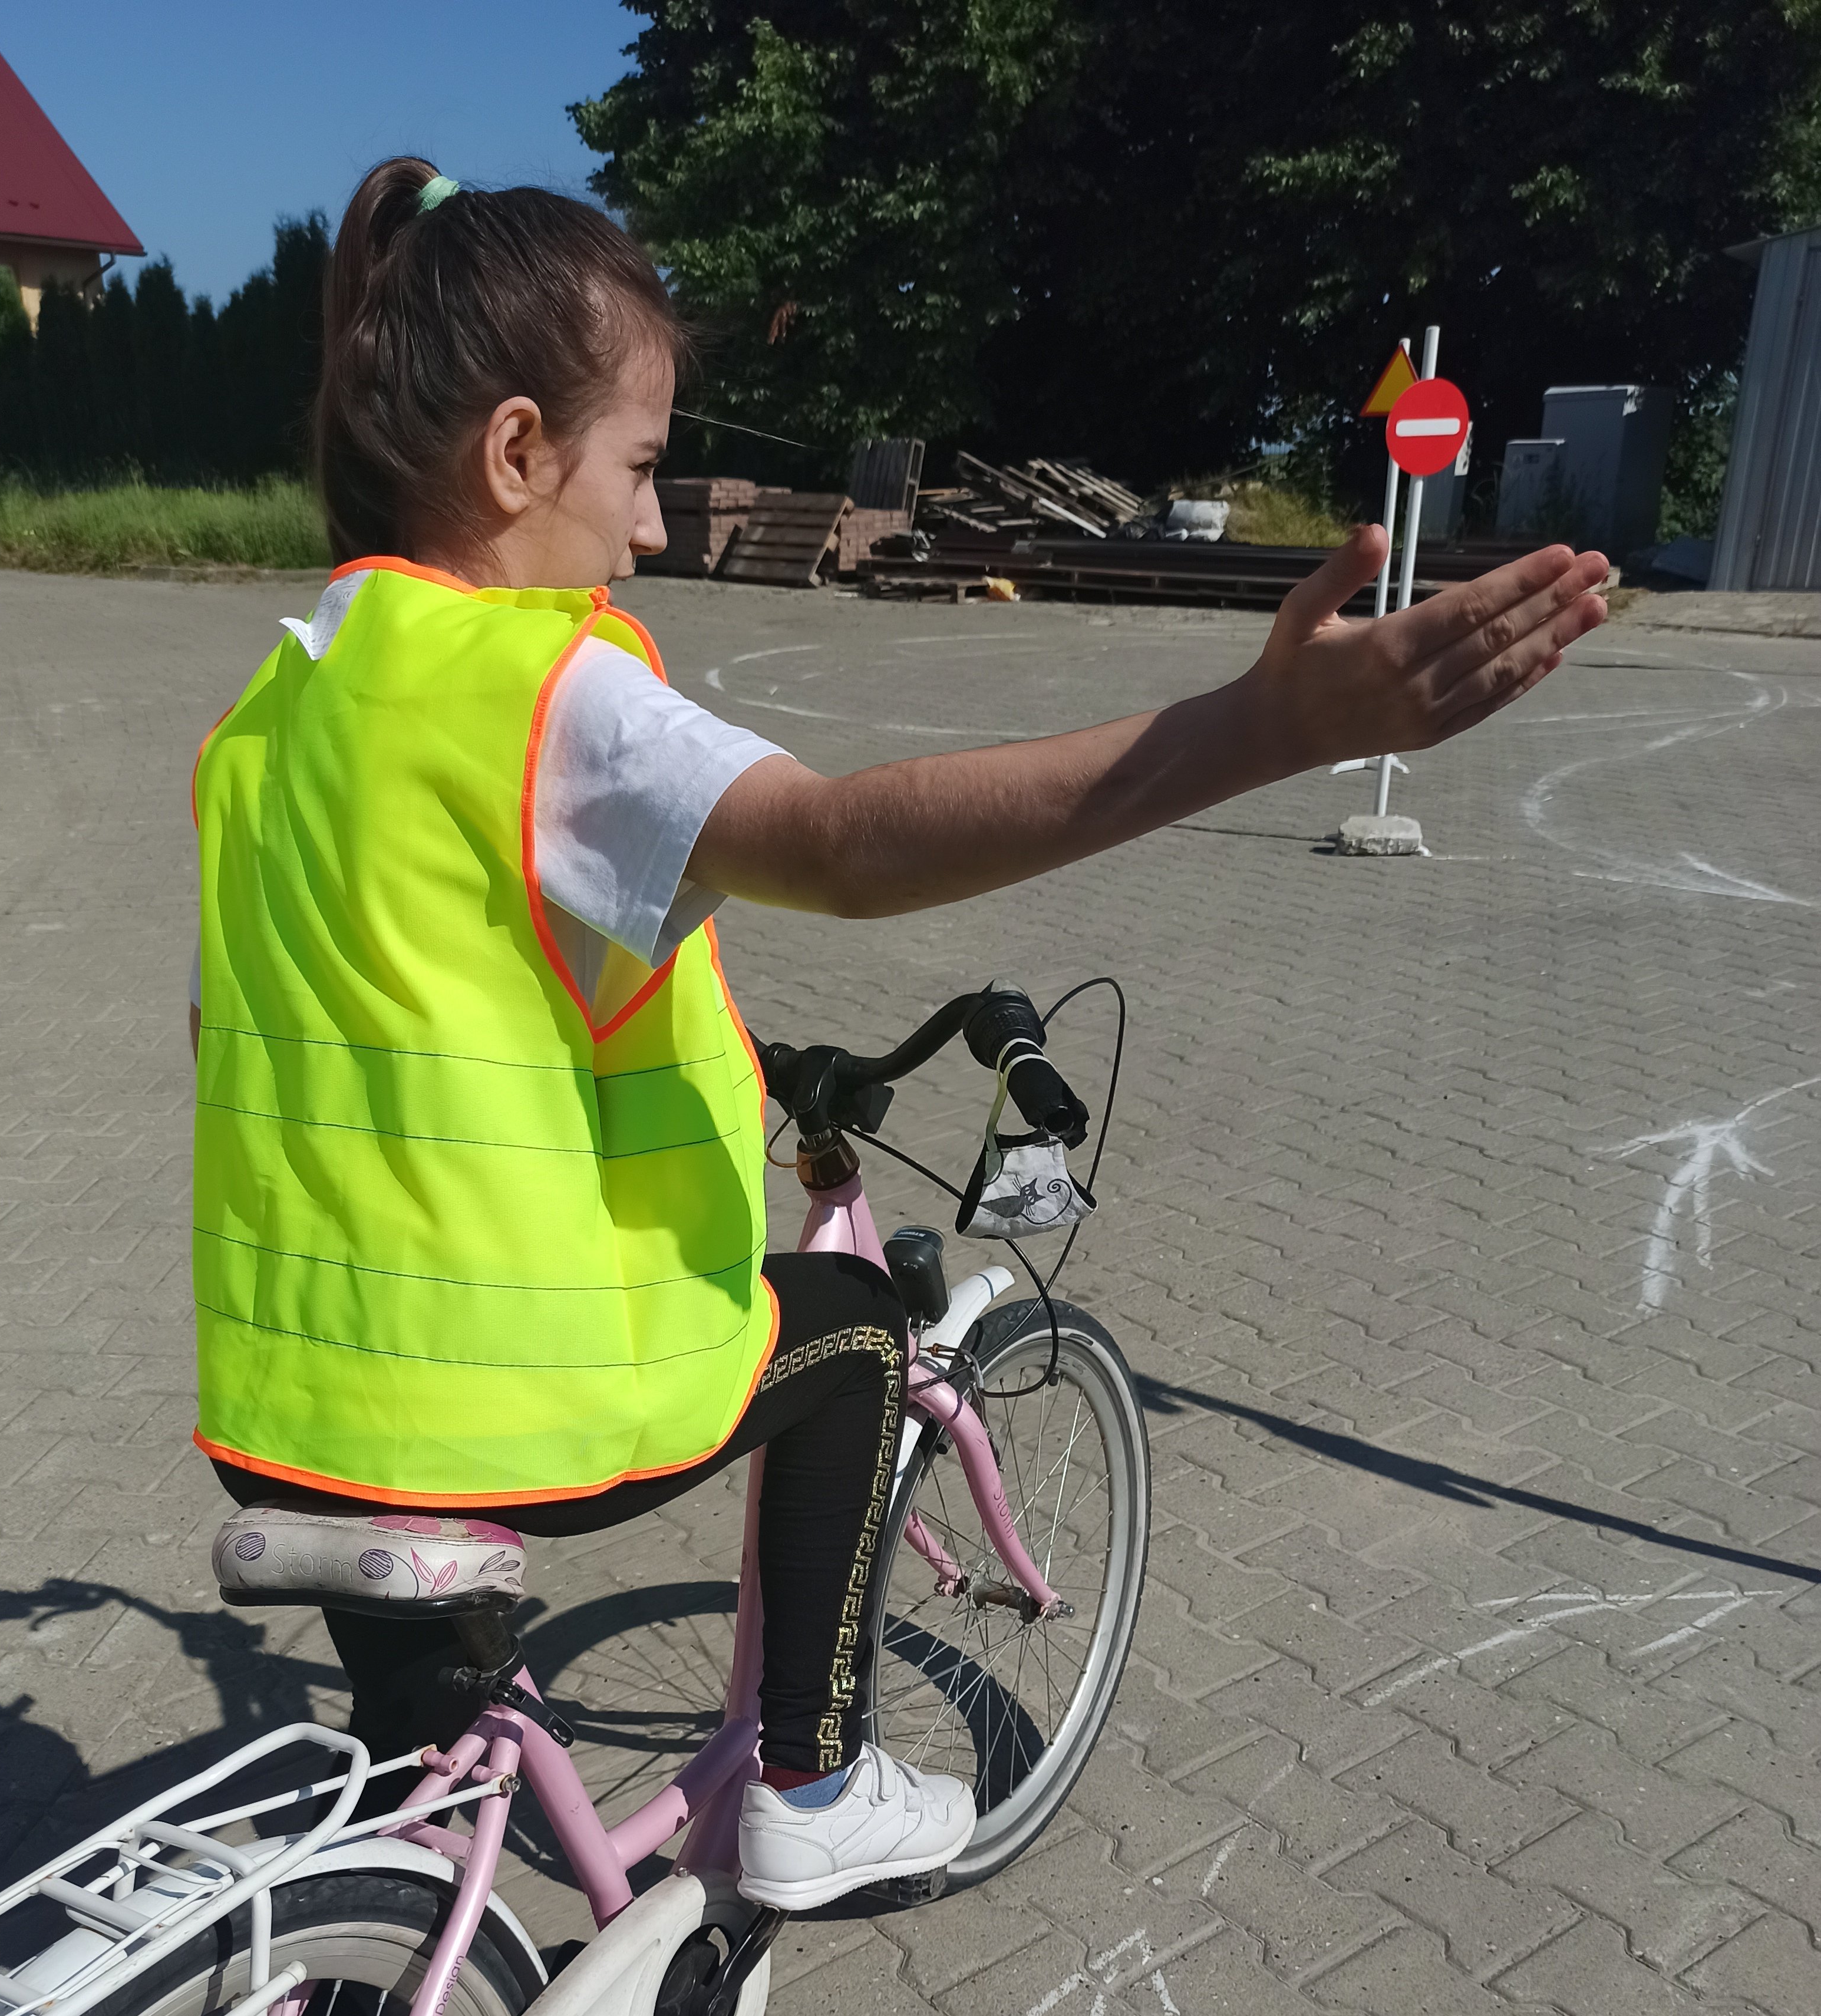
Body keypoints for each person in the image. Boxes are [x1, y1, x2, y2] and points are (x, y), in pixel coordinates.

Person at [189, 159, 1609, 1911]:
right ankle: (815, 1784)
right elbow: (849, 846)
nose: (651, 531)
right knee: (857, 1332)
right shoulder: (551, 687)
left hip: (289, 1405)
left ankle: (362, 2011)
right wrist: (1261, 731)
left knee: (425, 1806)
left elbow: (370, 1014)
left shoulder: (282, 707)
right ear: (516, 453)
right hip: (505, 1399)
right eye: (640, 468)